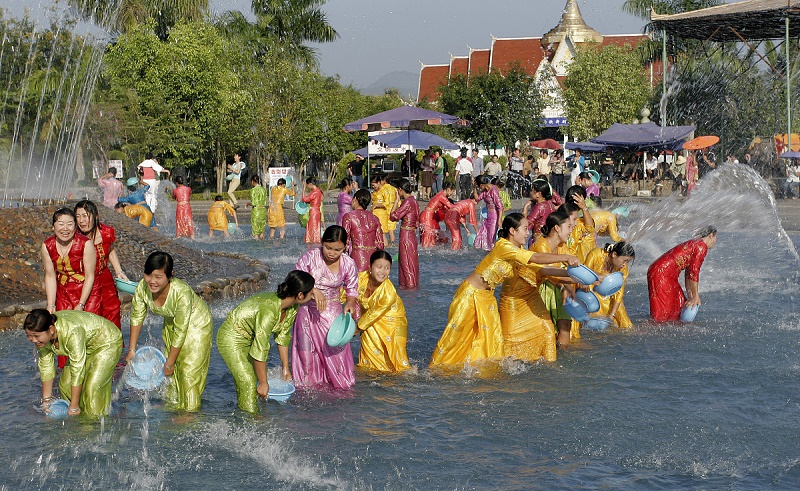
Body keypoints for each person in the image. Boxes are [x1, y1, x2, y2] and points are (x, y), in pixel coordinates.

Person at [429, 213, 579, 369]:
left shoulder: (517, 249)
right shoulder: (504, 246)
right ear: (512, 231)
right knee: (455, 338)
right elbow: (534, 258)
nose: (528, 233)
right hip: (470, 295)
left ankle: (477, 373)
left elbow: (539, 268)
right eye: (525, 229)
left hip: (487, 298)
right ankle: (435, 371)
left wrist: (573, 275)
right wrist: (565, 258)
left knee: (491, 342)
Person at [217, 270, 315, 413]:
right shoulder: (269, 309)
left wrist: (285, 368)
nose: (313, 296)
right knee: (248, 381)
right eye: (311, 293)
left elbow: (283, 336)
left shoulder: (293, 306)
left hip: (250, 338)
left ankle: (245, 412)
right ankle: (252, 420)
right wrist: (264, 383)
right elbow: (261, 348)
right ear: (300, 295)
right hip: (232, 336)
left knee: (252, 378)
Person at [128, 252, 213, 411]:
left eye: (158, 277)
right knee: (170, 374)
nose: (152, 281)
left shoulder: (181, 292)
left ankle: (190, 412)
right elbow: (137, 316)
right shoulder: (142, 287)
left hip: (196, 323)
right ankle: (173, 405)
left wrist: (170, 362)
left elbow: (181, 331)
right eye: (148, 275)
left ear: (170, 275)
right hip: (171, 321)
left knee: (188, 369)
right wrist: (132, 350)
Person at [292, 225, 359, 390]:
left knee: (336, 353)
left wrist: (350, 303)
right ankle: (307, 388)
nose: (331, 253)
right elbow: (295, 278)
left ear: (345, 247)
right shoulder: (310, 257)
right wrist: (312, 289)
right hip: (307, 312)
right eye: (328, 247)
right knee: (306, 354)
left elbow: (352, 290)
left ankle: (340, 388)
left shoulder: (348, 264)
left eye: (338, 250)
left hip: (332, 314)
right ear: (322, 242)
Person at [25, 309, 122, 417]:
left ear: (51, 329)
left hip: (106, 341)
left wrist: (74, 406)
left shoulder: (71, 331)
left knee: (93, 388)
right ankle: (78, 415)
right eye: (29, 335)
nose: (33, 340)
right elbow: (46, 366)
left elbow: (77, 369)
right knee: (65, 384)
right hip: (84, 344)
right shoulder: (42, 338)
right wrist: (47, 401)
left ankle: (95, 422)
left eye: (36, 336)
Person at [42, 207, 101, 368]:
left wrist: (81, 304)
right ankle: (66, 373)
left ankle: (91, 370)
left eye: (70, 224)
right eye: (60, 224)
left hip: (87, 293)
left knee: (87, 334)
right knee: (62, 333)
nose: (65, 229)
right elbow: (50, 275)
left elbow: (90, 275)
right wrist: (50, 304)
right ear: (53, 226)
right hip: (64, 292)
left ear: (75, 227)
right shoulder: (47, 245)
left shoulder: (85, 244)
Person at [74, 200, 127, 330]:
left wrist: (119, 271)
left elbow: (110, 250)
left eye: (85, 216)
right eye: (78, 216)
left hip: (104, 279)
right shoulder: (74, 236)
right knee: (90, 318)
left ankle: (114, 346)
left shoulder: (106, 232)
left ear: (96, 216)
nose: (81, 221)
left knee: (112, 312)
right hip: (83, 281)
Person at [354, 250, 410, 372]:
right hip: (369, 320)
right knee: (369, 363)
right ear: (370, 267)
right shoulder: (360, 278)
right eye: (379, 267)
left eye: (387, 268)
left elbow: (374, 313)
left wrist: (357, 327)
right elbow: (346, 293)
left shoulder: (389, 292)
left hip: (393, 322)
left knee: (397, 365)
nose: (383, 272)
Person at [647, 226, 717, 322]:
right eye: (716, 237)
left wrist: (691, 296)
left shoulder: (696, 243)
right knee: (663, 314)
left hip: (661, 272)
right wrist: (696, 296)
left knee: (678, 303)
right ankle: (647, 329)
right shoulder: (701, 247)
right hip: (662, 273)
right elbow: (694, 272)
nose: (715, 241)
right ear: (711, 236)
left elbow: (689, 274)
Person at [531, 211, 578, 347]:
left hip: (559, 287)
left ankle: (564, 360)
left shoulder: (561, 246)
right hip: (542, 289)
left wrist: (569, 287)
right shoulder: (541, 245)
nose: (571, 230)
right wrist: (578, 281)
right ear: (557, 228)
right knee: (547, 331)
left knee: (565, 325)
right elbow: (550, 273)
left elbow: (568, 270)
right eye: (569, 226)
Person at [582, 242, 636, 329]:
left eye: (628, 262)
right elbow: (584, 274)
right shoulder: (596, 254)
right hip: (590, 293)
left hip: (611, 296)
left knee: (626, 326)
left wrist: (612, 315)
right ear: (614, 254)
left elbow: (619, 293)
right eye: (624, 260)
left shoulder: (623, 269)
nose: (625, 264)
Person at [342, 189, 384, 272]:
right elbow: (381, 246)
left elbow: (344, 243)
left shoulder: (349, 216)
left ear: (355, 199)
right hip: (373, 259)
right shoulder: (375, 218)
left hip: (358, 257)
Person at [389, 179, 420, 289]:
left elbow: (393, 216)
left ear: (400, 190)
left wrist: (396, 201)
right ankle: (410, 286)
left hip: (406, 235)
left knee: (406, 263)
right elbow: (417, 221)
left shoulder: (407, 202)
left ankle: (409, 287)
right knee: (411, 262)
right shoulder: (414, 201)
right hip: (412, 235)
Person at [563, 186, 596, 262]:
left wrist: (583, 207)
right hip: (571, 261)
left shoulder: (580, 222)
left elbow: (590, 227)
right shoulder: (580, 223)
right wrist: (584, 207)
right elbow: (590, 227)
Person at [419, 183, 454, 247]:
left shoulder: (440, 194)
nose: (452, 194)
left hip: (427, 215)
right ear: (448, 189)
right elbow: (450, 206)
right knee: (427, 240)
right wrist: (461, 207)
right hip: (427, 216)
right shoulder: (442, 196)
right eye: (452, 191)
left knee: (430, 239)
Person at [473, 175, 503, 251]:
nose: (479, 188)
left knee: (491, 236)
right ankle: (487, 252)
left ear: (481, 185)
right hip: (488, 217)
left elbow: (500, 207)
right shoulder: (485, 191)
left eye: (479, 187)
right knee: (484, 234)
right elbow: (477, 199)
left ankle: (492, 253)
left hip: (494, 217)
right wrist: (474, 188)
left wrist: (499, 220)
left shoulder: (493, 190)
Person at [371, 174, 399, 245]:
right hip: (375, 214)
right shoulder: (375, 191)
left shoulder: (384, 190)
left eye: (374, 185)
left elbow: (387, 203)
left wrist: (376, 205)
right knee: (376, 232)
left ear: (379, 182)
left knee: (383, 232)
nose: (373, 187)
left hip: (382, 214)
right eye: (372, 186)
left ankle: (387, 247)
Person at [302, 177, 324, 244]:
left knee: (311, 228)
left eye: (308, 185)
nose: (308, 187)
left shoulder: (314, 192)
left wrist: (304, 188)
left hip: (313, 212)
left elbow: (304, 199)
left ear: (311, 184)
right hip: (317, 211)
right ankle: (315, 242)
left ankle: (311, 243)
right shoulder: (318, 191)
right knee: (316, 228)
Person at [246, 175, 266, 239]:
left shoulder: (253, 190)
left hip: (256, 211)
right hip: (263, 210)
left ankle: (256, 244)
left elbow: (253, 203)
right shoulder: (264, 189)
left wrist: (247, 203)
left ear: (252, 181)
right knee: (262, 229)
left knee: (255, 230)